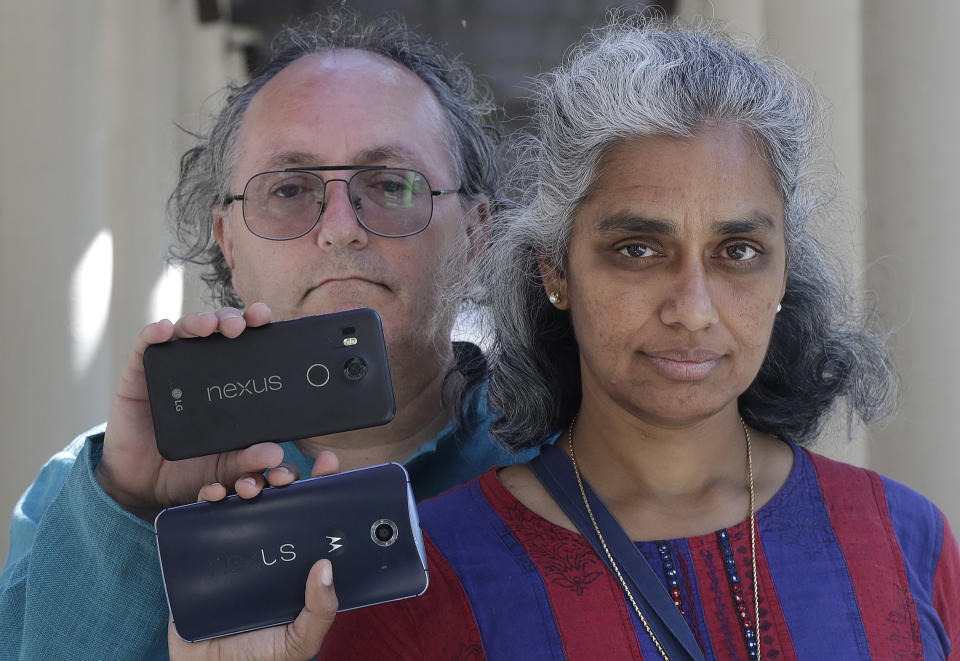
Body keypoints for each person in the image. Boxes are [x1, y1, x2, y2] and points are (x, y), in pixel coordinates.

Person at [177, 16, 960, 661]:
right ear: (555, 271)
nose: (692, 308)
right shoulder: (430, 572)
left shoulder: (907, 538)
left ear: (787, 270)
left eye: (738, 252)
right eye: (637, 248)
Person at [0, 8, 540, 660]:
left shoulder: (572, 456)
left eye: (392, 182)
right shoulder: (91, 493)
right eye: (289, 189)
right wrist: (130, 507)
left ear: (477, 233)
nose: (341, 226)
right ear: (228, 242)